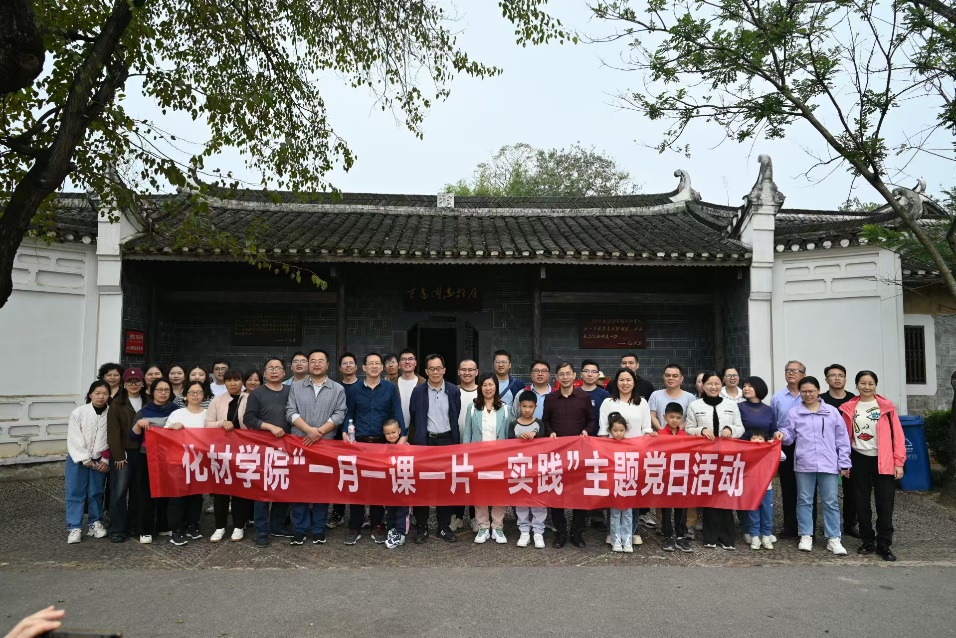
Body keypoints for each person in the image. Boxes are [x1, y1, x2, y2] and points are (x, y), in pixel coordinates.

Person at [778, 376, 851, 555]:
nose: (808, 394)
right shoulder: (795, 412)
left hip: (829, 463)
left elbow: (842, 439)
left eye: (811, 391)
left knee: (831, 502)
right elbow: (790, 435)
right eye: (804, 391)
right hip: (804, 463)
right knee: (804, 501)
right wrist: (782, 435)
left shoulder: (832, 412)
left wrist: (844, 462)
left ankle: (834, 538)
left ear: (818, 391)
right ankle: (806, 535)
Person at [839, 371, 906, 561]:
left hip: (883, 459)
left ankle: (884, 544)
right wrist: (844, 462)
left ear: (875, 385)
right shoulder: (849, 408)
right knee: (861, 502)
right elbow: (843, 437)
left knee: (885, 503)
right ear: (856, 385)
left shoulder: (886, 407)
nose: (866, 387)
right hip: (858, 458)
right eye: (863, 383)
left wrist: (899, 463)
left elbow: (898, 437)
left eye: (870, 383)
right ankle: (867, 540)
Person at [342, 352, 405, 545]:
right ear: (364, 367)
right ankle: (354, 526)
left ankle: (377, 524)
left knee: (379, 486)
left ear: (382, 367)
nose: (375, 366)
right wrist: (344, 432)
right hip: (359, 443)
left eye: (378, 363)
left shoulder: (390, 388)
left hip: (381, 444)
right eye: (371, 363)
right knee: (357, 486)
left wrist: (402, 437)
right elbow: (349, 413)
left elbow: (397, 412)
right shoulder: (354, 390)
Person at [287, 349, 347, 546]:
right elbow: (290, 412)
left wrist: (319, 432)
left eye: (321, 361)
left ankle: (319, 529)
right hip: (300, 444)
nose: (316, 364)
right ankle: (300, 529)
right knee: (299, 487)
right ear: (308, 364)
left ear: (327, 365)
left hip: (325, 445)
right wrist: (308, 430)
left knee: (322, 487)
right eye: (313, 361)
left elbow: (339, 414)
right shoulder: (295, 387)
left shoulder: (337, 389)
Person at [686, 371, 744, 549]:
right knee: (709, 495)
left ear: (722, 385)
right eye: (709, 384)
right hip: (705, 457)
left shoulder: (731, 405)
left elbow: (740, 428)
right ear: (702, 386)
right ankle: (710, 537)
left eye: (717, 383)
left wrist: (730, 429)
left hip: (727, 456)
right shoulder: (695, 405)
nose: (713, 387)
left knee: (725, 494)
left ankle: (727, 537)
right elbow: (689, 428)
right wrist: (701, 430)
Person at [408, 354, 462, 543]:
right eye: (431, 369)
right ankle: (422, 526)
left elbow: (455, 415)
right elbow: (414, 415)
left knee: (445, 485)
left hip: (447, 441)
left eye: (438, 368)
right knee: (422, 485)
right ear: (426, 371)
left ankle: (443, 526)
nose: (435, 372)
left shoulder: (453, 391)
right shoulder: (418, 392)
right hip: (426, 442)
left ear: (444, 370)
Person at [543, 362, 595, 548]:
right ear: (556, 377)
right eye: (561, 374)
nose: (565, 377)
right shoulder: (551, 398)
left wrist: (586, 432)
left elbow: (591, 420)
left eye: (568, 374)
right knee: (557, 493)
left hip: (578, 454)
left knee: (579, 493)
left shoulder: (583, 397)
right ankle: (561, 532)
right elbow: (546, 421)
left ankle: (576, 532)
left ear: (574, 375)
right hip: (557, 454)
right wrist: (550, 432)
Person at [241, 357, 293, 547]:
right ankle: (261, 530)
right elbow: (248, 418)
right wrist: (269, 427)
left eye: (278, 368)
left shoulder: (291, 391)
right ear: (264, 373)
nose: (274, 371)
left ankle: (277, 525)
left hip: (286, 448)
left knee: (282, 487)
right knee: (262, 490)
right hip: (263, 448)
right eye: (270, 368)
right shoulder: (257, 393)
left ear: (284, 372)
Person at [600, 368, 656, 536]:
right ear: (616, 382)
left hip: (635, 456)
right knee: (614, 493)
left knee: (633, 493)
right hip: (614, 457)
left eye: (628, 380)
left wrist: (648, 439)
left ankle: (632, 531)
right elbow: (603, 431)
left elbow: (646, 428)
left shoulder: (642, 403)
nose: (625, 383)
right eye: (621, 380)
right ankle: (613, 532)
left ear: (634, 382)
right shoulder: (608, 403)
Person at [463, 372, 511, 544]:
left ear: (496, 387)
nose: (488, 388)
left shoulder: (505, 408)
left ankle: (498, 526)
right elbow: (467, 434)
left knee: (499, 492)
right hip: (479, 458)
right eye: (484, 385)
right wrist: (466, 459)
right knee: (480, 492)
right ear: (480, 387)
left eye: (491, 384)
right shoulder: (472, 407)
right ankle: (483, 526)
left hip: (499, 459)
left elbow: (508, 435)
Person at [205, 370, 252, 543]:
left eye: (236, 380)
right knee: (221, 490)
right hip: (221, 451)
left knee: (240, 489)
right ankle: (220, 527)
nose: (233, 383)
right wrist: (221, 423)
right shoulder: (217, 400)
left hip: (243, 450)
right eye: (229, 380)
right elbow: (207, 424)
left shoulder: (250, 399)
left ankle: (239, 526)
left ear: (242, 382)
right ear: (224, 383)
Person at [129, 378, 177, 544]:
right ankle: (145, 530)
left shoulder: (176, 411)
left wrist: (179, 426)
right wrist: (139, 425)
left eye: (166, 390)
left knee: (167, 492)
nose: (163, 393)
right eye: (159, 390)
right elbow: (132, 435)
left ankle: (163, 526)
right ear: (152, 392)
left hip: (170, 457)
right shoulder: (144, 411)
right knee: (146, 492)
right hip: (147, 456)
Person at [65, 380, 110, 544]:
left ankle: (95, 522)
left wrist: (105, 458)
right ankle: (74, 527)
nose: (101, 397)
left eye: (105, 393)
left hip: (99, 459)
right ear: (90, 394)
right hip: (78, 459)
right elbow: (74, 436)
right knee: (75, 492)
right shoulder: (79, 412)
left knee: (96, 492)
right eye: (97, 393)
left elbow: (112, 438)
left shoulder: (111, 413)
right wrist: (84, 458)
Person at [165, 380, 209, 545]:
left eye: (199, 392)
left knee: (196, 495)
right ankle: (176, 529)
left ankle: (193, 525)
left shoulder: (208, 414)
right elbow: (164, 435)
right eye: (192, 392)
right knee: (177, 495)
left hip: (200, 460)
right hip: (179, 460)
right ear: (185, 395)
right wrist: (172, 427)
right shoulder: (177, 414)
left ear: (204, 395)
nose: (195, 395)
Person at [106, 367, 145, 543]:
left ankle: (134, 525)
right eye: (130, 381)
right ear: (124, 384)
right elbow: (112, 432)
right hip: (124, 453)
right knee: (119, 491)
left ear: (142, 383)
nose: (133, 384)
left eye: (137, 381)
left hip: (142, 452)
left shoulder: (148, 401)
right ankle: (117, 528)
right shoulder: (117, 403)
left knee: (138, 490)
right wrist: (118, 455)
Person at [821, 363, 859, 537]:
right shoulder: (820, 400)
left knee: (852, 489)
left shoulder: (854, 400)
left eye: (840, 375)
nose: (837, 378)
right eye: (832, 375)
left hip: (850, 449)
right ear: (826, 379)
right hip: (826, 449)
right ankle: (826, 525)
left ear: (845, 379)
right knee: (825, 490)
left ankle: (850, 524)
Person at [737, 375, 777, 543]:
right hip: (744, 455)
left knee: (764, 493)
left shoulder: (768, 410)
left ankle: (765, 529)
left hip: (763, 457)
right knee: (746, 491)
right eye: (744, 386)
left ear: (759, 389)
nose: (746, 388)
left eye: (750, 386)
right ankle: (747, 528)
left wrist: (776, 436)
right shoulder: (738, 407)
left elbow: (773, 430)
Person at [771, 360, 806, 539]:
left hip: (807, 445)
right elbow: (774, 423)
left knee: (806, 488)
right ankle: (789, 526)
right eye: (788, 370)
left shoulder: (809, 395)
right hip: (786, 445)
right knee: (788, 486)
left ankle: (806, 528)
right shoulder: (777, 397)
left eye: (795, 370)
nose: (791, 373)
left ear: (803, 375)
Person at [508, 390, 546, 549]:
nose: (527, 410)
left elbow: (544, 442)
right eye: (524, 406)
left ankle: (538, 531)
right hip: (519, 468)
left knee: (538, 499)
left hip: (536, 468)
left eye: (530, 407)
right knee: (521, 498)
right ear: (519, 406)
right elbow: (508, 445)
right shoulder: (514, 424)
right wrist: (519, 438)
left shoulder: (539, 423)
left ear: (536, 407)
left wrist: (534, 435)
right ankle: (524, 530)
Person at [658, 402, 692, 552]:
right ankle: (668, 535)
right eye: (671, 417)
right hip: (665, 477)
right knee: (666, 507)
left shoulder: (684, 436)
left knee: (681, 506)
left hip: (681, 476)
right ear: (664, 417)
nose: (674, 420)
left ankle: (680, 535)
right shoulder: (659, 435)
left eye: (678, 418)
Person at [580, 359, 610, 531]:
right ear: (581, 374)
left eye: (593, 371)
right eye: (587, 371)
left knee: (598, 479)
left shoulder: (605, 395)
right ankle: (581, 515)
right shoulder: (575, 393)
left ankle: (597, 516)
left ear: (598, 375)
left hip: (600, 443)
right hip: (579, 444)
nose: (590, 374)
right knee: (581, 479)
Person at [746, 429, 783, 550]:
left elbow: (783, 456)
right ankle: (755, 536)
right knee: (753, 514)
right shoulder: (747, 452)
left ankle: (766, 535)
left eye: (760, 438)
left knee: (767, 513)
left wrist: (772, 445)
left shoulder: (769, 452)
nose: (757, 441)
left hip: (767, 489)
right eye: (753, 438)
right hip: (752, 490)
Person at [605, 412, 635, 553]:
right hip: (614, 484)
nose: (618, 433)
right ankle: (616, 538)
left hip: (628, 483)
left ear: (626, 430)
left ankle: (627, 539)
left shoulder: (630, 444)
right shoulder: (606, 445)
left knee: (628, 513)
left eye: (621, 430)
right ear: (610, 430)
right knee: (615, 513)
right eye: (615, 430)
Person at [456, 358, 480, 531]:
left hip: (476, 446)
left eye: (470, 370)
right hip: (455, 443)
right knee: (457, 481)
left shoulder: (482, 392)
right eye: (463, 369)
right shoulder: (452, 391)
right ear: (458, 372)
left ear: (476, 372)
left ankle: (474, 517)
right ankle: (457, 516)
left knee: (474, 482)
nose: (467, 373)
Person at [383, 420, 412, 549]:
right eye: (388, 433)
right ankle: (391, 529)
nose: (391, 436)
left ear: (400, 431)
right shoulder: (383, 449)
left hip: (404, 485)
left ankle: (401, 534)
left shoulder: (407, 447)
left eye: (393, 432)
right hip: (389, 487)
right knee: (390, 510)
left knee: (403, 510)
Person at [648, 364, 695, 431]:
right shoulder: (655, 395)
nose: (670, 378)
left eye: (675, 376)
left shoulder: (690, 398)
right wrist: (663, 431)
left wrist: (677, 432)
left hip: (682, 435)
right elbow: (652, 416)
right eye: (667, 375)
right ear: (663, 377)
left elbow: (690, 419)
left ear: (681, 379)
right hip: (660, 435)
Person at [396, 348, 425, 431]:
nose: (407, 362)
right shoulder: (392, 384)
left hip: (418, 430)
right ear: (399, 363)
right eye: (404, 359)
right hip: (396, 431)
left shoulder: (424, 383)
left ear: (415, 362)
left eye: (410, 359)